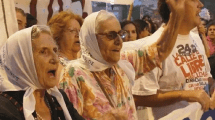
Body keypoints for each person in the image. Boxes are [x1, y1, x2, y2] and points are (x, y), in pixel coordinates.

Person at [58, 0, 186, 119]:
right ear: (91, 38)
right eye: (111, 35)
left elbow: (159, 51)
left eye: (120, 34)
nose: (119, 41)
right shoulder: (74, 73)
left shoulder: (122, 63)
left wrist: (176, 16)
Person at [132, 0, 215, 119]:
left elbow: (206, 76)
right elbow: (138, 97)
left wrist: (213, 87)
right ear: (174, 5)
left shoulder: (196, 38)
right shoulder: (151, 47)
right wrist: (184, 95)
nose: (200, 5)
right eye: (193, 0)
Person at [0, 25, 84, 120]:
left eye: (55, 50)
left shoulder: (57, 99)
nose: (55, 59)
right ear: (22, 61)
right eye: (43, 52)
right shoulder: (5, 108)